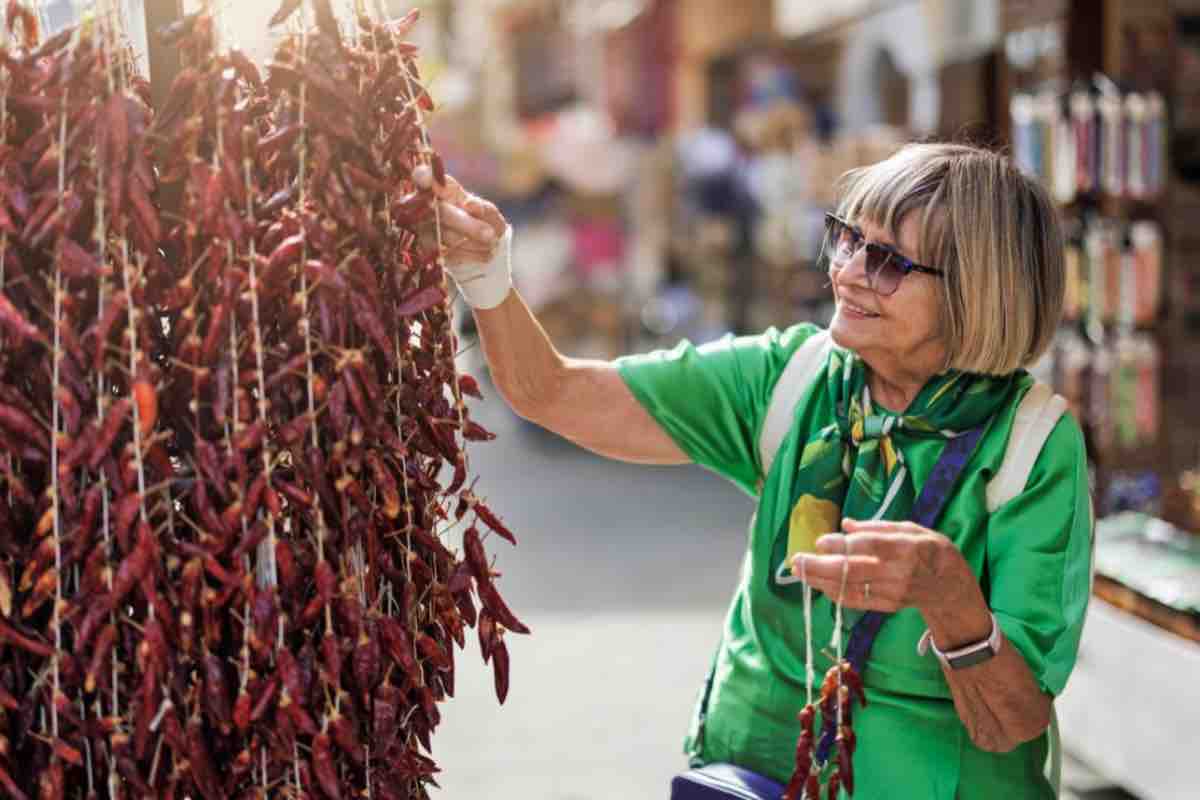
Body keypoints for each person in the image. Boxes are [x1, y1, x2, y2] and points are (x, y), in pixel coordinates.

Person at [414, 142, 1092, 800]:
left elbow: (1009, 724)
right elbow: (553, 393)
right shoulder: (794, 377)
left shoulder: (1031, 445)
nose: (849, 271)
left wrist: (950, 601)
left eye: (887, 261)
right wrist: (487, 278)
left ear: (978, 291)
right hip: (751, 779)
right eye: (848, 239)